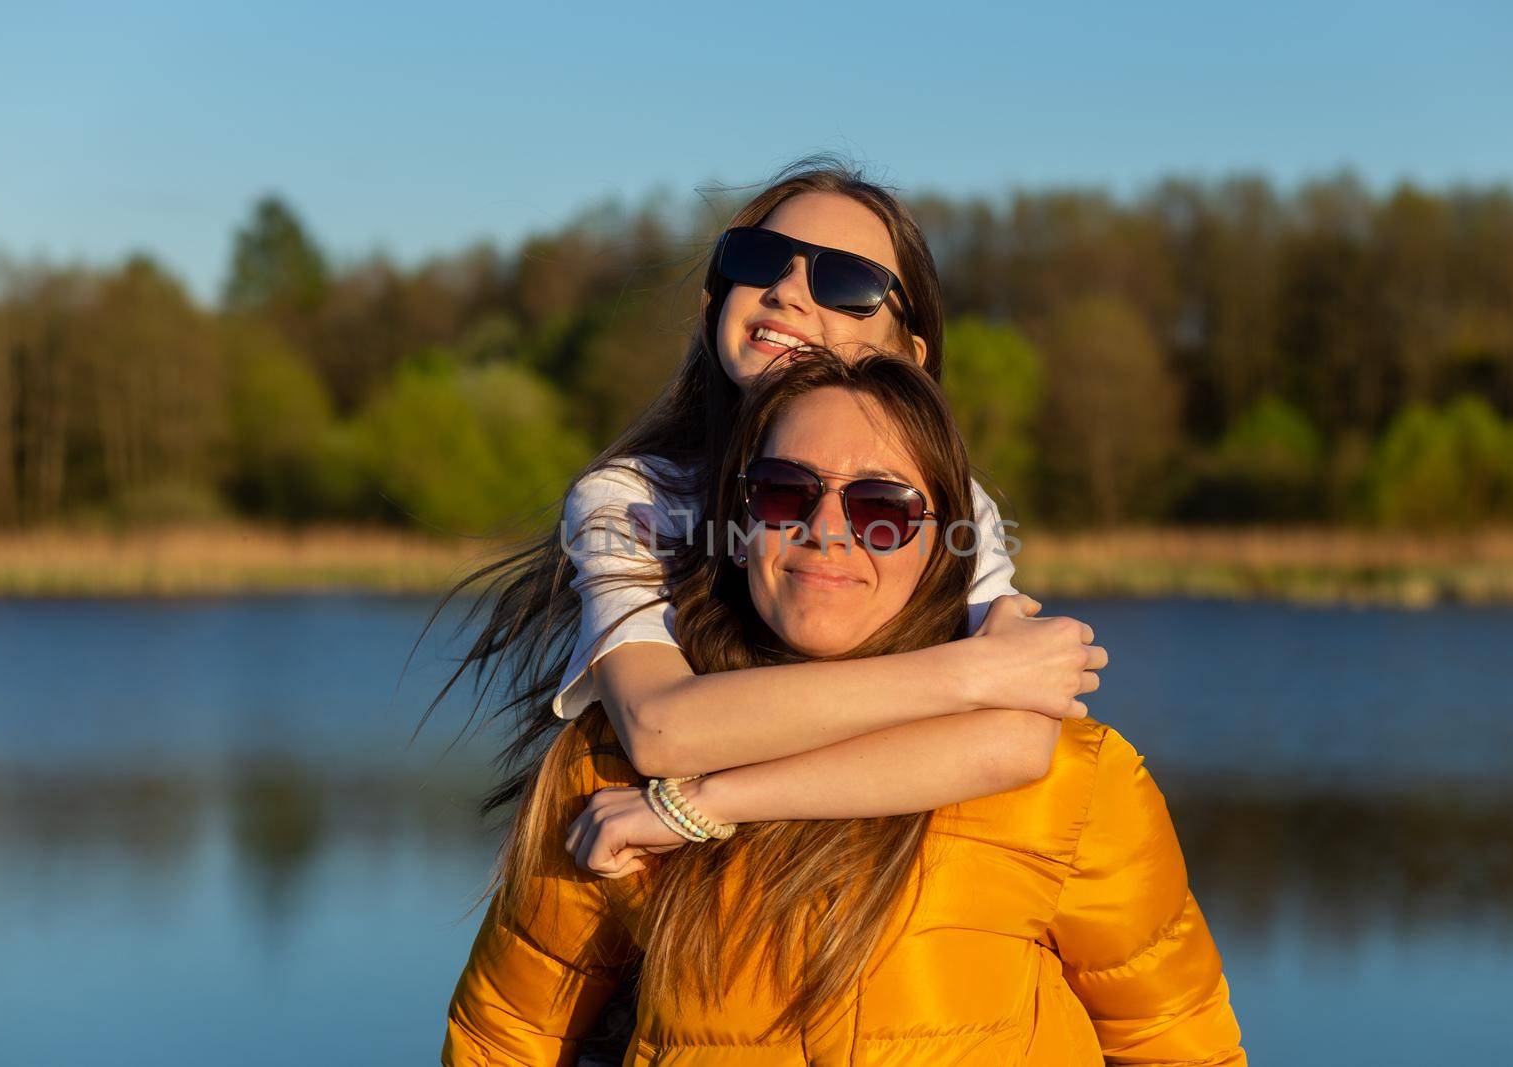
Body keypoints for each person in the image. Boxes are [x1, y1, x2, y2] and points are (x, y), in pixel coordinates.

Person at [443, 350, 1244, 1065]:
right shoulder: (609, 760)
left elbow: (1184, 1049)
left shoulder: (1073, 781)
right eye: (785, 491)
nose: (826, 530)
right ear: (738, 516)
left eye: (882, 508)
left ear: (946, 545)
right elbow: (504, 1039)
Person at [426, 158, 1105, 855]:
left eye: (845, 283)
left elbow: (1019, 736)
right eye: (760, 259)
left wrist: (708, 801)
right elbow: (662, 728)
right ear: (714, 302)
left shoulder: (958, 506)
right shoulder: (633, 498)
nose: (786, 291)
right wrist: (970, 676)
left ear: (910, 355)